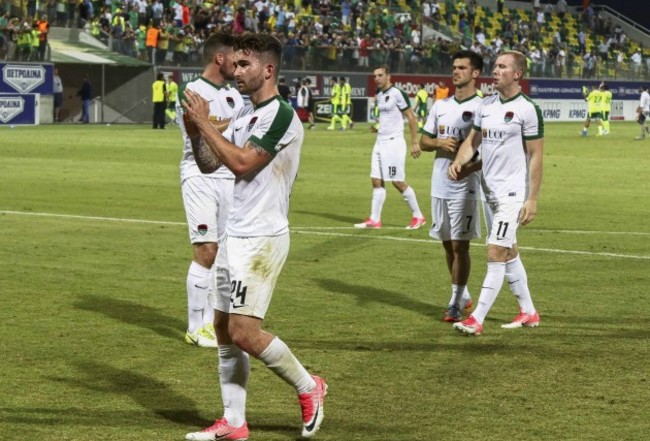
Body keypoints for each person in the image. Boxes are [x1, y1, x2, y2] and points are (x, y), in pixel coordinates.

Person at [181, 33, 327, 440]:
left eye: (244, 65)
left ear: (268, 69)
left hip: (262, 238)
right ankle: (234, 422)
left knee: (245, 332)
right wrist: (195, 131)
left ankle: (308, 386)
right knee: (225, 329)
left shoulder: (280, 114)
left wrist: (207, 125)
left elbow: (243, 163)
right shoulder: (245, 115)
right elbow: (212, 165)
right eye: (235, 64)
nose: (236, 71)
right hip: (235, 233)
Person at [449, 51, 543, 336]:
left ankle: (476, 319)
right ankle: (529, 312)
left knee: (495, 252)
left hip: (512, 195)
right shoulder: (486, 105)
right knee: (509, 251)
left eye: (502, 66)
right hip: (489, 193)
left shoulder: (527, 109)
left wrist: (532, 198)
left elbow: (536, 156)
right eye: (495, 66)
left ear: (517, 74)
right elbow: (472, 141)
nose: (495, 70)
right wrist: (459, 161)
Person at [177, 32, 245, 348]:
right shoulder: (192, 91)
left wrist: (218, 125)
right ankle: (195, 327)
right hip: (199, 176)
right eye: (235, 59)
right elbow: (200, 129)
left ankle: (214, 322)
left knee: (224, 255)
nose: (239, 65)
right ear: (220, 58)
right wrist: (224, 126)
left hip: (228, 178)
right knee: (206, 251)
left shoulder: (234, 96)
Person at [419, 50, 483, 323]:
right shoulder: (440, 106)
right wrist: (439, 143)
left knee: (460, 245)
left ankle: (455, 302)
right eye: (454, 67)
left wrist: (468, 167)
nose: (455, 72)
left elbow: (489, 150)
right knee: (446, 243)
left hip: (465, 185)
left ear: (475, 73)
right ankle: (464, 294)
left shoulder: (483, 106)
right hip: (439, 182)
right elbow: (423, 141)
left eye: (462, 68)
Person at [354, 65, 426, 230]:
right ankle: (374, 219)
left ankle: (418, 216)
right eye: (374, 76)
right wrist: (378, 128)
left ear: (388, 76)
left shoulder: (397, 93)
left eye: (380, 75)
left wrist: (414, 142)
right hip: (380, 142)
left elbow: (411, 117)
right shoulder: (379, 95)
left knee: (397, 181)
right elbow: (387, 117)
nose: (377, 78)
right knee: (376, 180)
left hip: (394, 143)